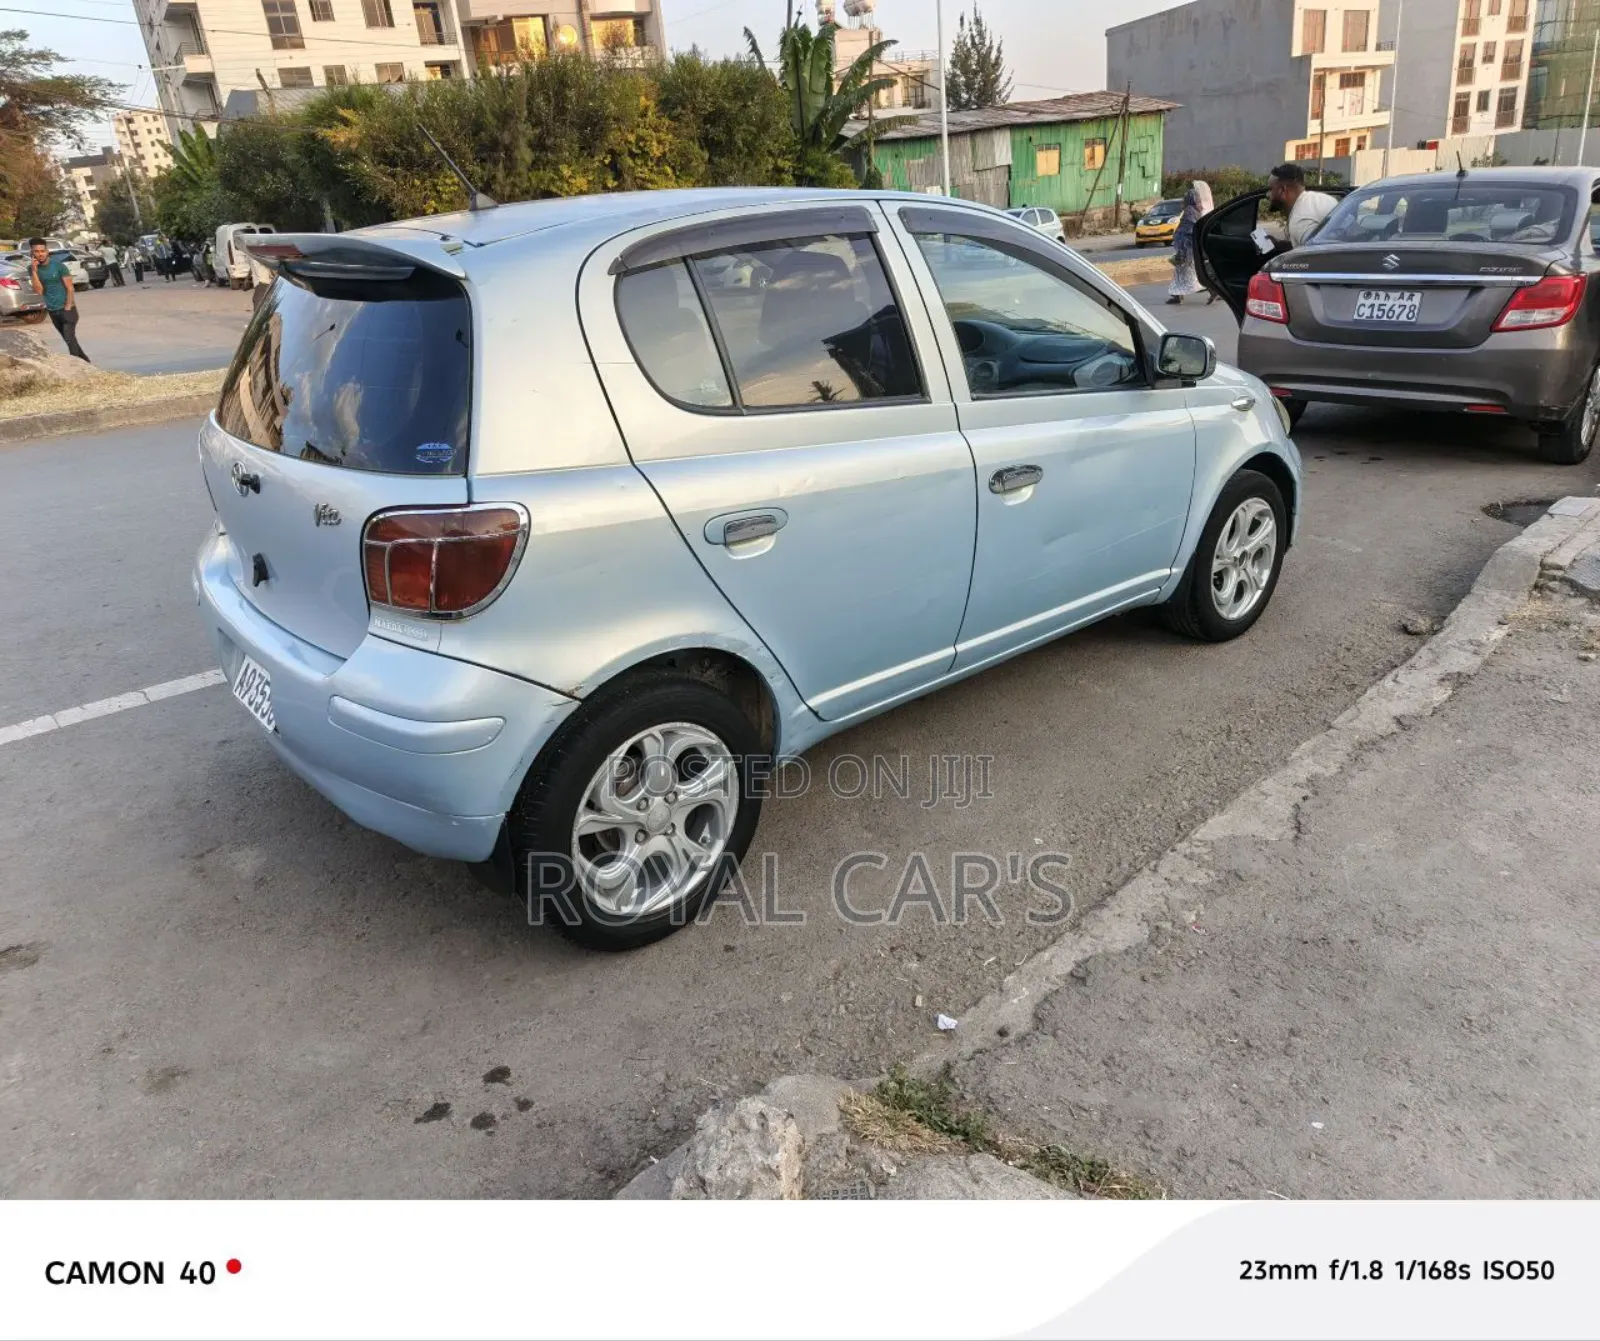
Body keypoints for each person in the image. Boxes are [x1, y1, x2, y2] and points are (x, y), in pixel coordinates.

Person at [27, 237, 88, 361]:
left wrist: (68, 306)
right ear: (32, 253)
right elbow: (39, 291)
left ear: (47, 251)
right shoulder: (32, 269)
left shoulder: (59, 266)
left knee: (69, 338)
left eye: (42, 251)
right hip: (52, 310)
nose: (40, 254)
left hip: (67, 309)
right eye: (36, 251)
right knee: (70, 340)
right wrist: (34, 272)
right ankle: (86, 363)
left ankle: (74, 365)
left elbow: (70, 288)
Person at [1166, 180, 1216, 306]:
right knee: (1185, 273)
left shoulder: (1189, 211)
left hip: (1187, 249)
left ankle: (1211, 290)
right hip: (1190, 248)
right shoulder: (1196, 211)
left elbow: (1188, 229)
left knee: (1189, 274)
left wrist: (1181, 246)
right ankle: (1177, 295)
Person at [1269, 162, 1338, 247]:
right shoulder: (1325, 198)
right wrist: (1279, 244)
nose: (1268, 195)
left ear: (1283, 190)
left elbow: (1317, 251)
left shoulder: (1299, 221)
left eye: (1271, 189)